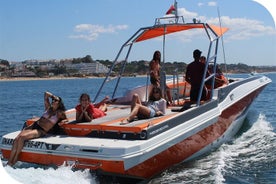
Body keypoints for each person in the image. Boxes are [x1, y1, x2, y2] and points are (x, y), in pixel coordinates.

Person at [7, 91, 67, 166]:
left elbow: (66, 119)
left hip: (41, 130)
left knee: (22, 137)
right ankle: (10, 161)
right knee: (17, 139)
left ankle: (14, 160)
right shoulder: (48, 108)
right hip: (34, 125)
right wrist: (53, 96)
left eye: (55, 100)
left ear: (59, 103)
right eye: (53, 100)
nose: (53, 101)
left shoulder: (60, 113)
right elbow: (46, 93)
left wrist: (64, 121)